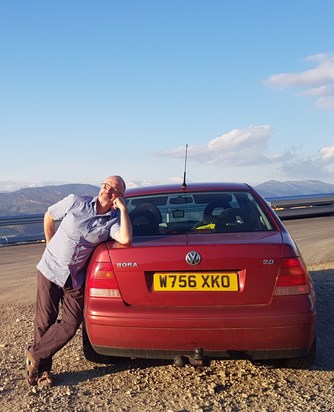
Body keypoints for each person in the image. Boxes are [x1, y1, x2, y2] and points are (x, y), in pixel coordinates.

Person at [25, 175, 132, 387]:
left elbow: (126, 239)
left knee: (71, 323)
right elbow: (49, 215)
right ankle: (43, 371)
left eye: (113, 190)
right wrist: (50, 245)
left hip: (74, 278)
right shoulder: (76, 201)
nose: (106, 191)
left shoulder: (111, 222)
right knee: (45, 321)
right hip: (50, 269)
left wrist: (124, 210)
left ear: (119, 197)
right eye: (105, 185)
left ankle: (33, 355)